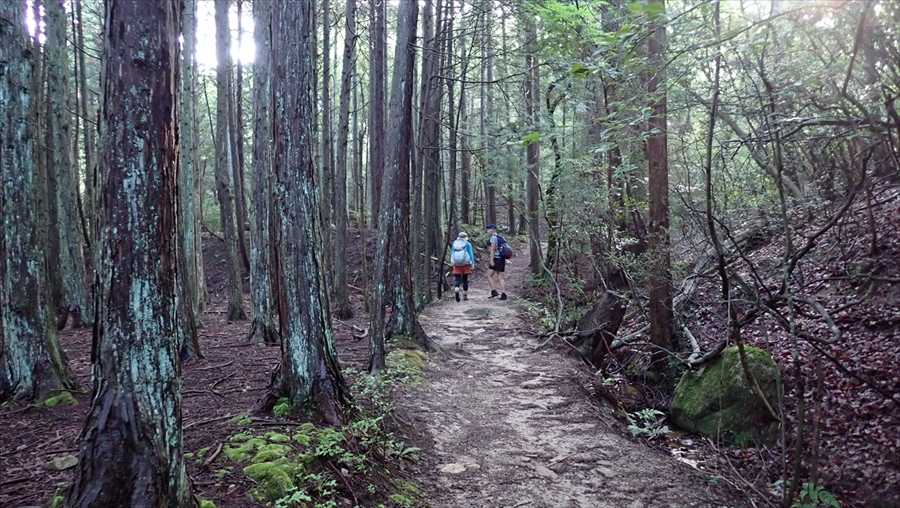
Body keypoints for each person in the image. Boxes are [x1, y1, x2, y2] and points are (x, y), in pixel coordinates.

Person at [449, 231, 476, 302]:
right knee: (465, 279)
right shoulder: (468, 244)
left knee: (457, 279)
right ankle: (465, 295)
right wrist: (472, 264)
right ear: (465, 237)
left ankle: (456, 289)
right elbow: (471, 254)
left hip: (457, 265)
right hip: (466, 265)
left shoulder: (455, 243)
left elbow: (452, 253)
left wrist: (452, 263)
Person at [486, 224, 508, 300]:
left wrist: (491, 260)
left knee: (489, 275)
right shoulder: (501, 237)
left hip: (496, 258)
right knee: (499, 277)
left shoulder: (493, 238)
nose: (487, 231)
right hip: (502, 259)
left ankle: (495, 292)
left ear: (493, 229)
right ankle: (500, 293)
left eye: (488, 229)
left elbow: (492, 250)